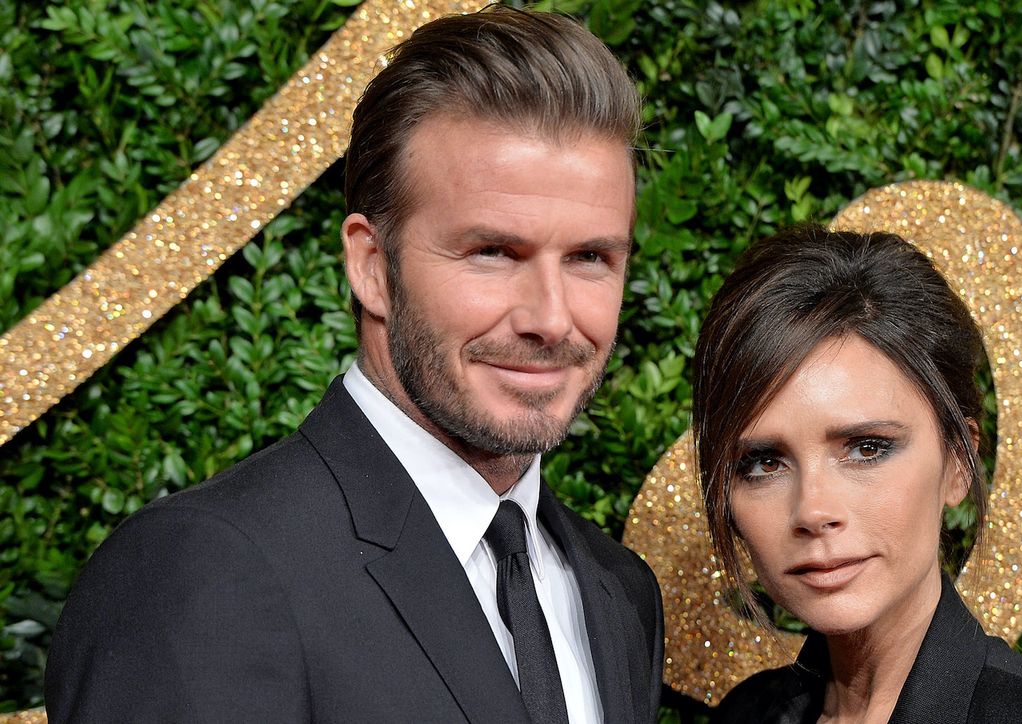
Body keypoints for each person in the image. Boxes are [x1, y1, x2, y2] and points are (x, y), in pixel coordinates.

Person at [44, 7, 663, 723]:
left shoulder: (620, 595)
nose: (551, 319)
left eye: (591, 258)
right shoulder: (205, 573)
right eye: (493, 252)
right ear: (372, 268)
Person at [692, 225, 1022, 723]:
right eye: (764, 463)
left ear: (959, 463)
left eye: (867, 448)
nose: (814, 510)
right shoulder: (747, 715)